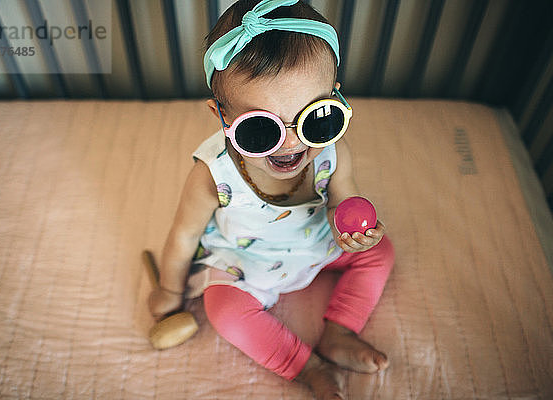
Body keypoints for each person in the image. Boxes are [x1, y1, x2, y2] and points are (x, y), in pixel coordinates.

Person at [148, 0, 394, 398]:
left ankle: (339, 330)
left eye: (317, 118)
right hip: (248, 261)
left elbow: (341, 204)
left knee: (380, 253)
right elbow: (182, 239)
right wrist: (169, 290)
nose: (293, 143)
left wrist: (355, 236)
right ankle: (305, 366)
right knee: (224, 311)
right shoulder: (212, 175)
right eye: (261, 130)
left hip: (316, 243)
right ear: (221, 116)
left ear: (336, 99)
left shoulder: (333, 151)